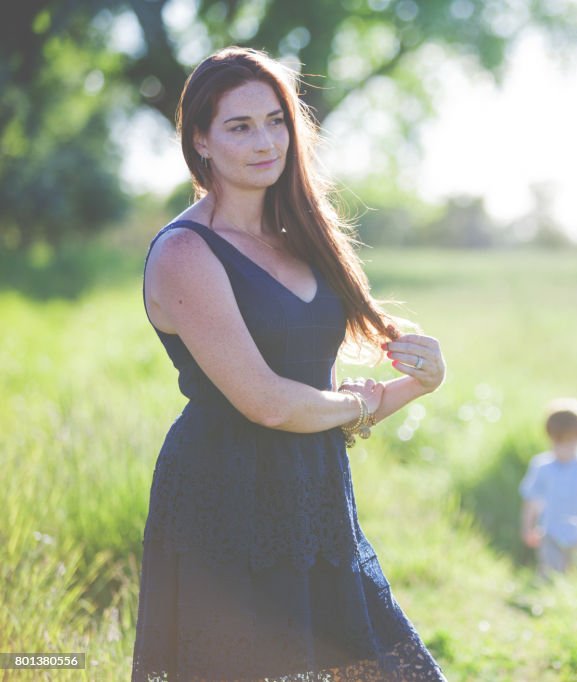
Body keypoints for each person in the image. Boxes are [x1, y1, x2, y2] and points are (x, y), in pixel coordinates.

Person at [132, 46, 447, 681]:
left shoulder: (303, 235)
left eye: (276, 120)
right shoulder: (185, 253)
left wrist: (420, 381)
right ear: (200, 142)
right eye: (239, 126)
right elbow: (273, 402)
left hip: (317, 495)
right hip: (223, 498)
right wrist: (356, 404)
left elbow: (322, 398)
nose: (265, 141)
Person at [519, 398, 577, 579]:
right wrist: (528, 527)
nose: (564, 449)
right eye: (559, 442)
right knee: (550, 574)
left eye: (570, 442)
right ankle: (547, 603)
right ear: (550, 438)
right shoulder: (542, 467)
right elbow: (531, 500)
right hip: (551, 533)